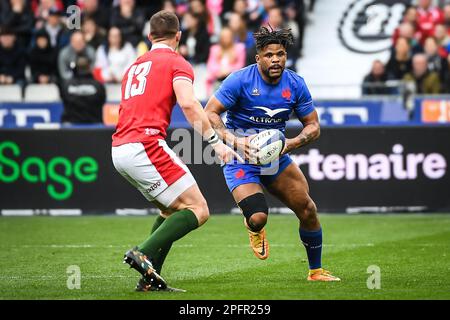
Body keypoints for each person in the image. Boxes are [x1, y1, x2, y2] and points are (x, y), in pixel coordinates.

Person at [111, 10, 240, 292]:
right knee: (199, 209)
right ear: (178, 36)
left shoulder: (135, 65)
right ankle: (142, 253)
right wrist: (215, 143)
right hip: (145, 144)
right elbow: (190, 104)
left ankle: (149, 280)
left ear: (149, 36)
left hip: (120, 148)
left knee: (172, 210)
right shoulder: (176, 62)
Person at [204, 26, 341, 282]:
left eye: (280, 54)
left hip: (275, 155)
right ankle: (252, 227)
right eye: (269, 55)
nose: (275, 59)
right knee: (258, 217)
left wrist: (289, 144)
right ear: (258, 58)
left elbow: (313, 126)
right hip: (240, 155)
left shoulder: (295, 84)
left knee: (307, 209)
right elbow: (209, 113)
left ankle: (315, 271)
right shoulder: (239, 80)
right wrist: (235, 141)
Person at [59, 54, 106, 123]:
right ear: (89, 68)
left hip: (70, 129)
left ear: (75, 68)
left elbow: (63, 99)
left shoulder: (66, 85)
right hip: (95, 128)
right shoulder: (98, 86)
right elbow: (102, 101)